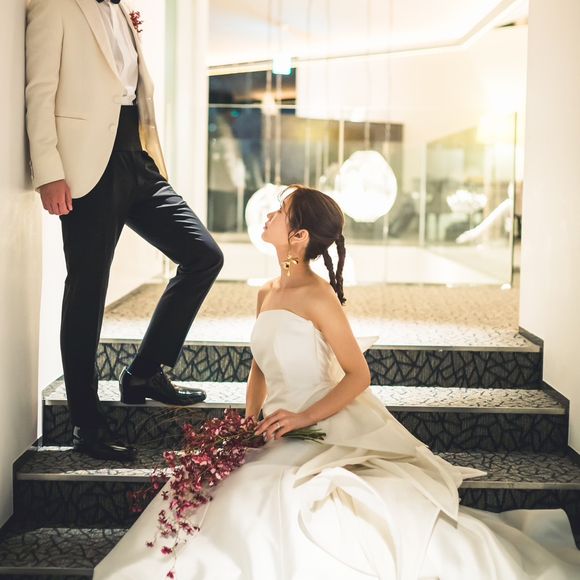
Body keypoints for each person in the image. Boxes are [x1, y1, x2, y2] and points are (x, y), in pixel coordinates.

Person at [94, 185, 580, 579]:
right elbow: (259, 367)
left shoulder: (318, 296)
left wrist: (302, 417)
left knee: (271, 492)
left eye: (280, 212)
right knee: (225, 481)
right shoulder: (266, 291)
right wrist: (246, 423)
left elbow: (359, 374)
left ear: (299, 236)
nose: (268, 214)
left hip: (319, 423)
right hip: (273, 424)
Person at [24, 0, 224, 462]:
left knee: (203, 255)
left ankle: (144, 373)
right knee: (88, 290)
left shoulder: (123, 11)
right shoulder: (54, 7)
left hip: (136, 158)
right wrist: (49, 171)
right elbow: (39, 93)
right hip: (86, 169)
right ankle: (86, 423)